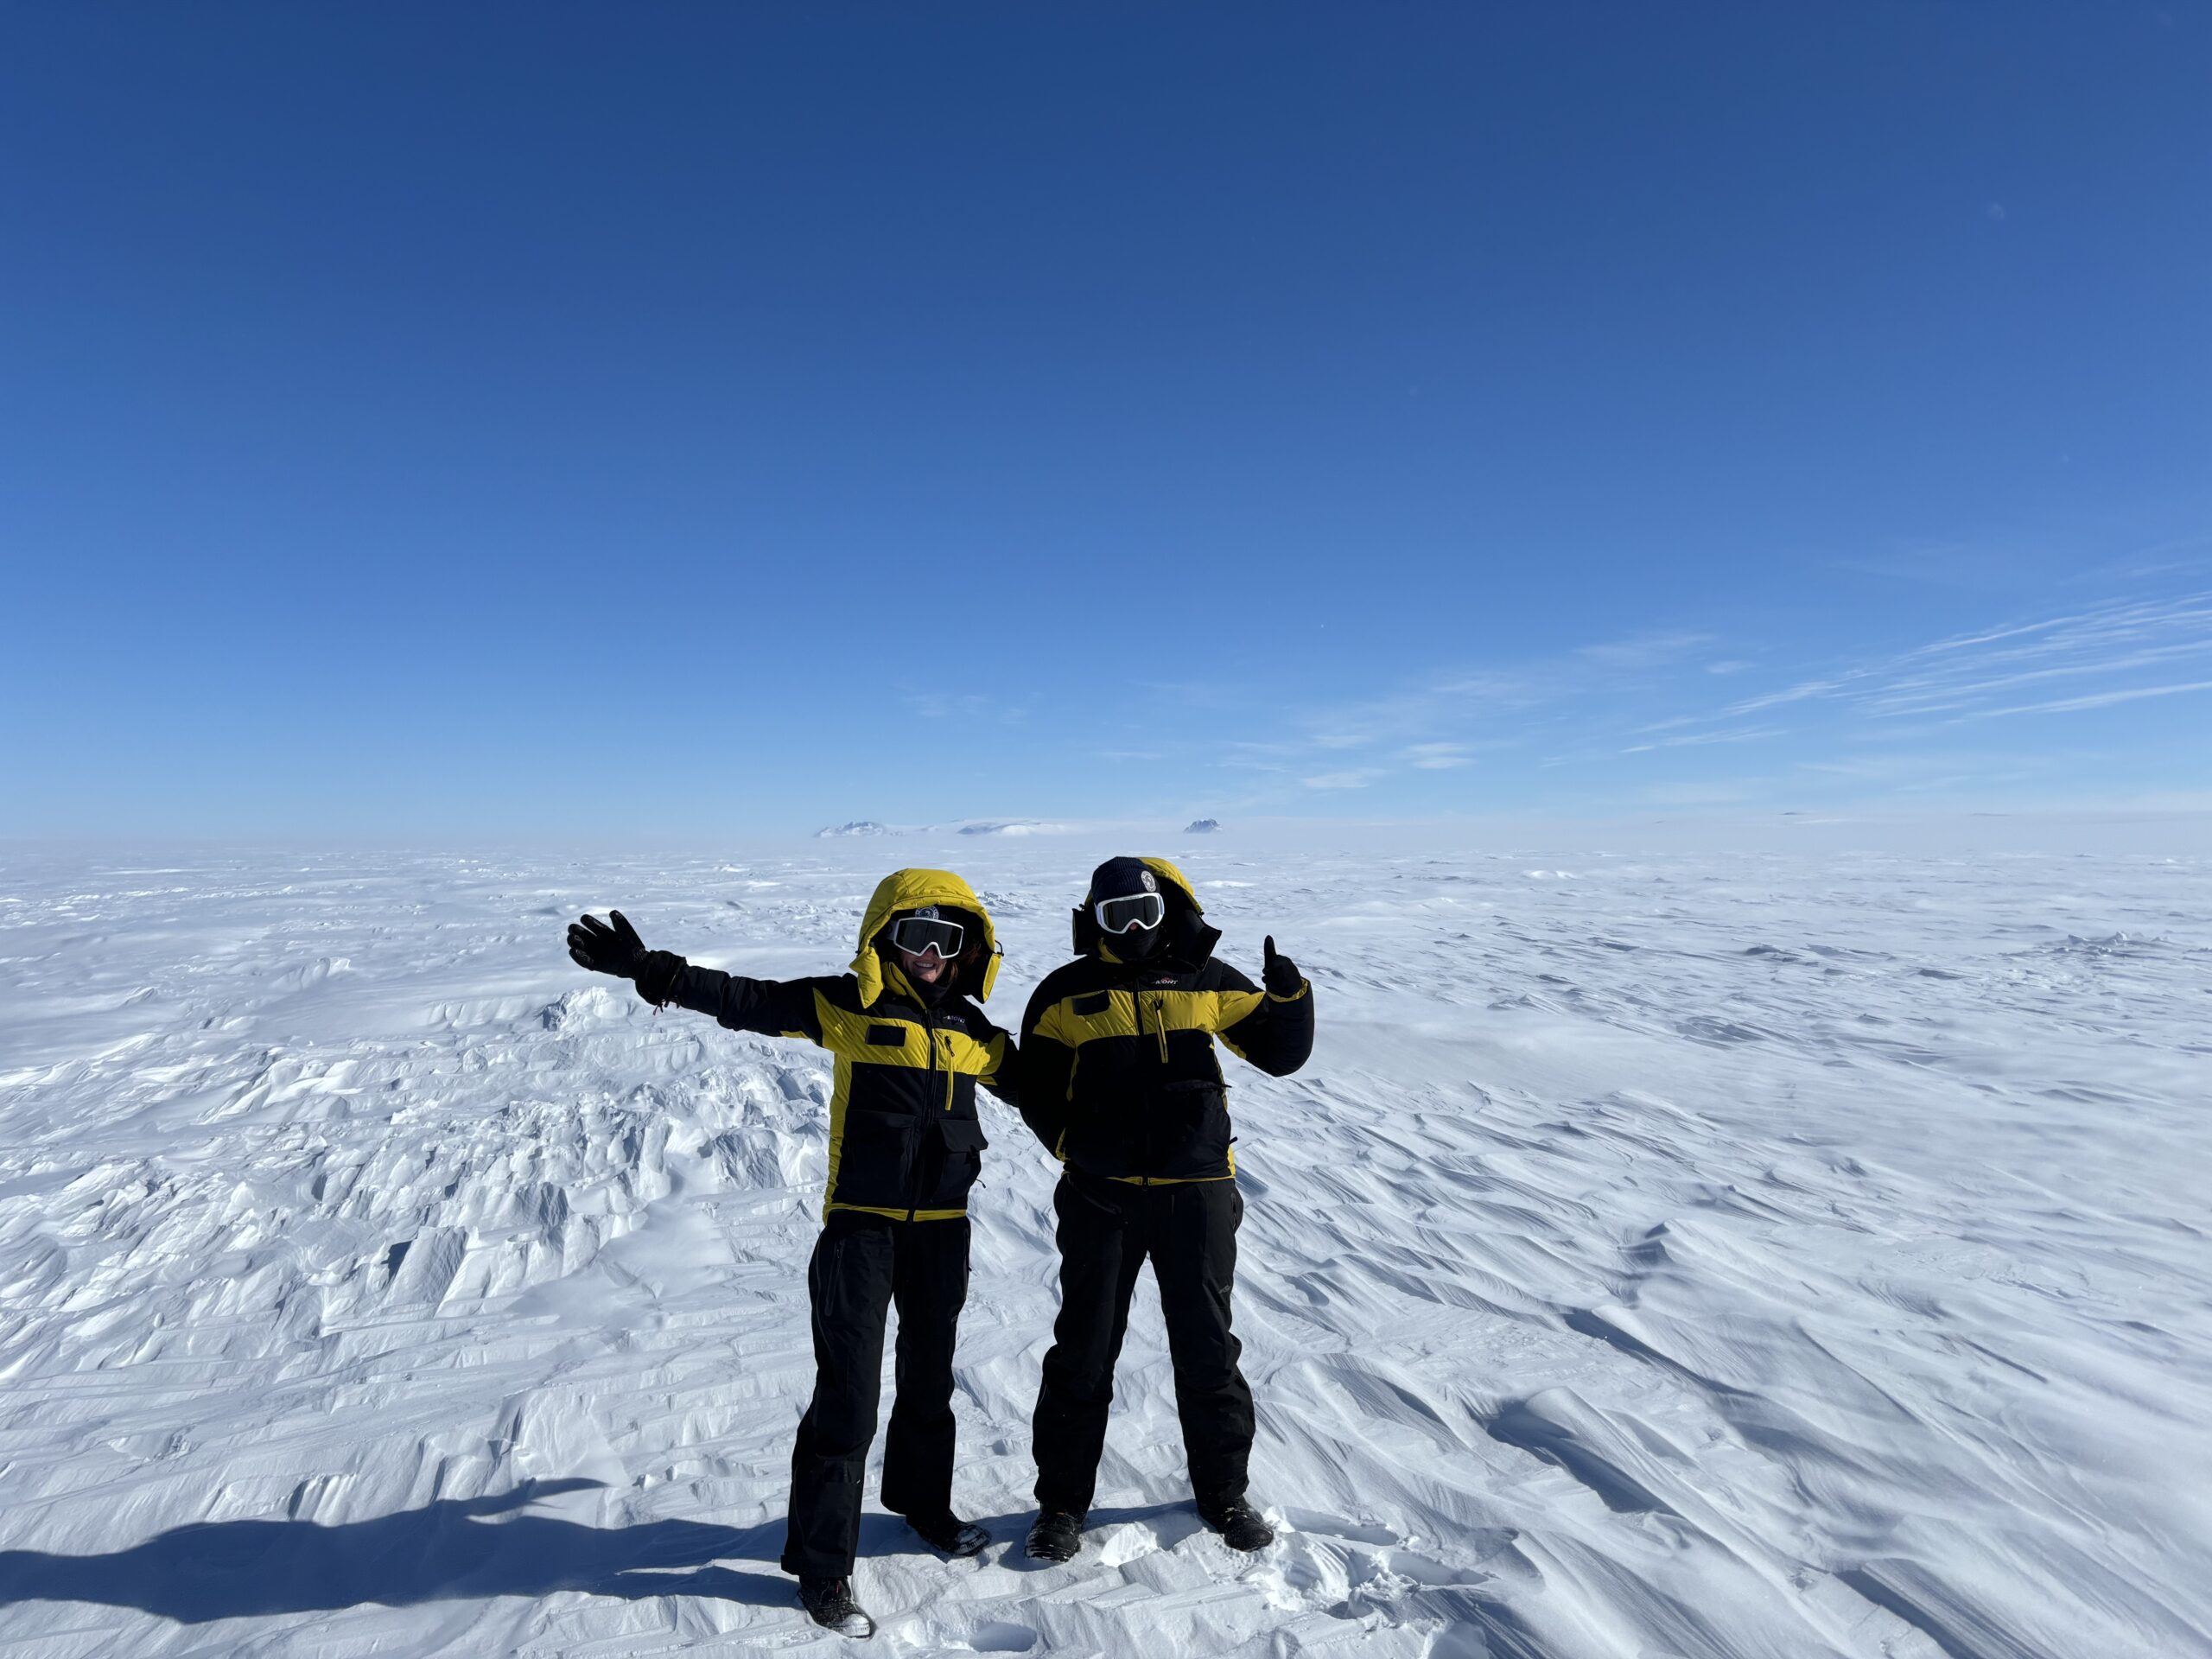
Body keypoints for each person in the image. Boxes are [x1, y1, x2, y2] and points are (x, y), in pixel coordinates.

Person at [566, 870, 1016, 1639]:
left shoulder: (978, 1035)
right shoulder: (848, 1006)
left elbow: (1049, 1092)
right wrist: (653, 971)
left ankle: (924, 1505)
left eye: (949, 939)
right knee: (846, 1399)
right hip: (860, 1234)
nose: (932, 954)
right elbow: (745, 999)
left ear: (970, 948)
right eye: (916, 937)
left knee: (930, 1379)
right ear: (886, 941)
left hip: (943, 1231)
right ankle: (822, 1566)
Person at [1014, 856, 1313, 1562]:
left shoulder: (1206, 979)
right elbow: (1036, 1089)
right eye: (1118, 918)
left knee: (1208, 1352)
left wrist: (1290, 998)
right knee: (1083, 1354)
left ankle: (1223, 1495)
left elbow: (1280, 1054)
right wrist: (1072, 1147)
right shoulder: (1064, 993)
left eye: (1145, 913)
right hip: (1101, 1201)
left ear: (1167, 909)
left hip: (1197, 1198)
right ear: (1097, 920)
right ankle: (1061, 1506)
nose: (1135, 930)